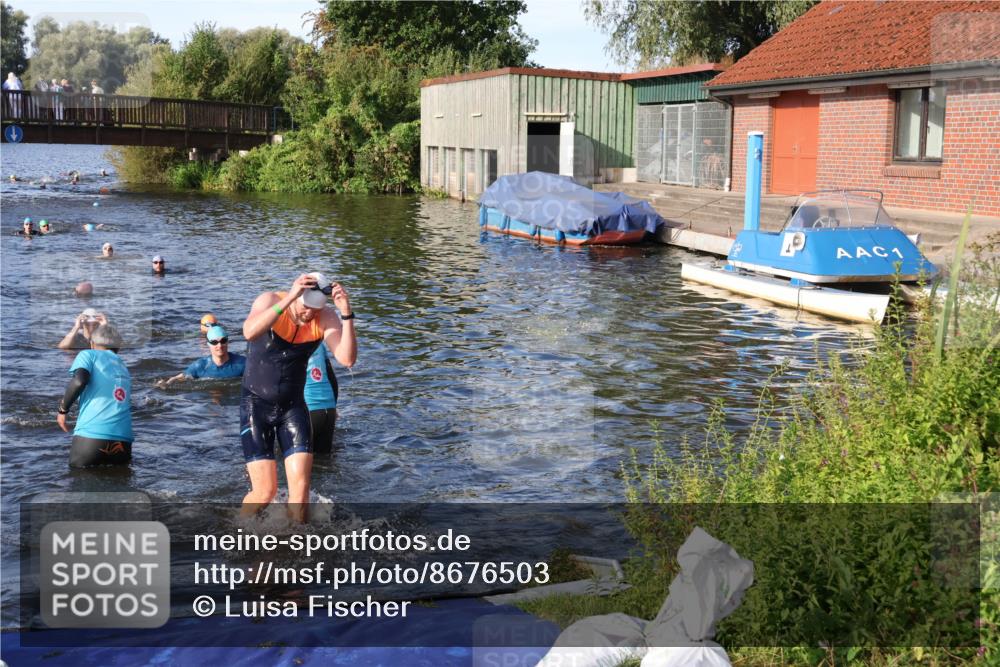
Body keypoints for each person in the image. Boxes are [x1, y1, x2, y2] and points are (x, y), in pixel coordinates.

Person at [240, 272, 356, 522]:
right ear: (296, 296)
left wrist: (346, 314)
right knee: (265, 492)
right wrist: (289, 299)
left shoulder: (325, 317)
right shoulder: (270, 300)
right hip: (256, 406)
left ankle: (297, 542)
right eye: (306, 307)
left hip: (293, 408)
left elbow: (347, 359)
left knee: (301, 496)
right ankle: (236, 531)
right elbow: (249, 332)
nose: (309, 314)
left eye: (316, 309)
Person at [57, 323, 132, 467]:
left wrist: (63, 410)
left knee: (78, 478)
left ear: (92, 343)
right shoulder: (122, 365)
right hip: (124, 440)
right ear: (118, 347)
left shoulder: (88, 354)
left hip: (92, 437)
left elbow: (79, 381)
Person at [158, 325, 246, 387]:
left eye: (223, 341)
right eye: (214, 342)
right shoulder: (200, 366)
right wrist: (167, 383)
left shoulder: (242, 363)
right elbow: (181, 377)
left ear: (227, 342)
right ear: (208, 344)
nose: (219, 345)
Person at [305, 344, 339, 454]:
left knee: (292, 458)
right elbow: (332, 379)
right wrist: (334, 407)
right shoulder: (319, 344)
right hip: (329, 408)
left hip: (307, 409)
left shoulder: (287, 343)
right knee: (325, 458)